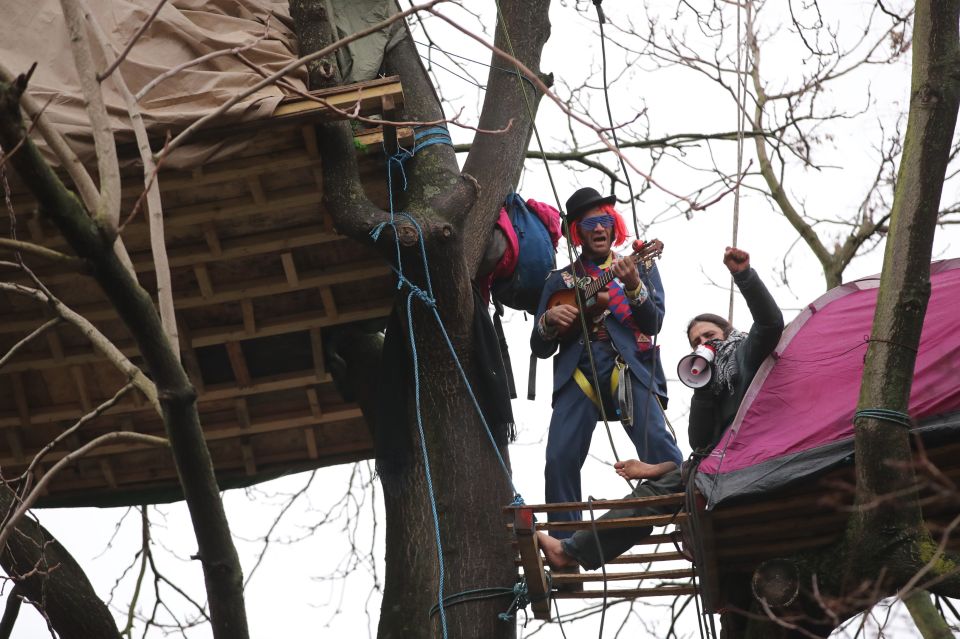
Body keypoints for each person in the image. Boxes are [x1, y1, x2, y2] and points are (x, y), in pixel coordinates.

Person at [538, 246, 784, 569]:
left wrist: (744, 276)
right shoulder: (705, 386)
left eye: (708, 336)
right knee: (653, 494)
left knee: (669, 473)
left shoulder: (744, 354)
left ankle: (570, 549)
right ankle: (570, 550)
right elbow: (699, 446)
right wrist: (653, 470)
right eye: (695, 342)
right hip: (714, 473)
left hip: (754, 464)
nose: (702, 345)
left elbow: (770, 323)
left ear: (728, 334)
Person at [531, 187, 683, 536]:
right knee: (558, 460)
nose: (599, 229)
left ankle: (686, 511)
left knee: (660, 447)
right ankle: (564, 544)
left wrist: (633, 287)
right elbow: (539, 348)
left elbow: (654, 322)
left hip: (626, 365)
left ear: (615, 227)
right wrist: (549, 323)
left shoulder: (637, 265)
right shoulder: (559, 282)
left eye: (605, 221)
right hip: (578, 371)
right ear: (578, 233)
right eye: (589, 224)